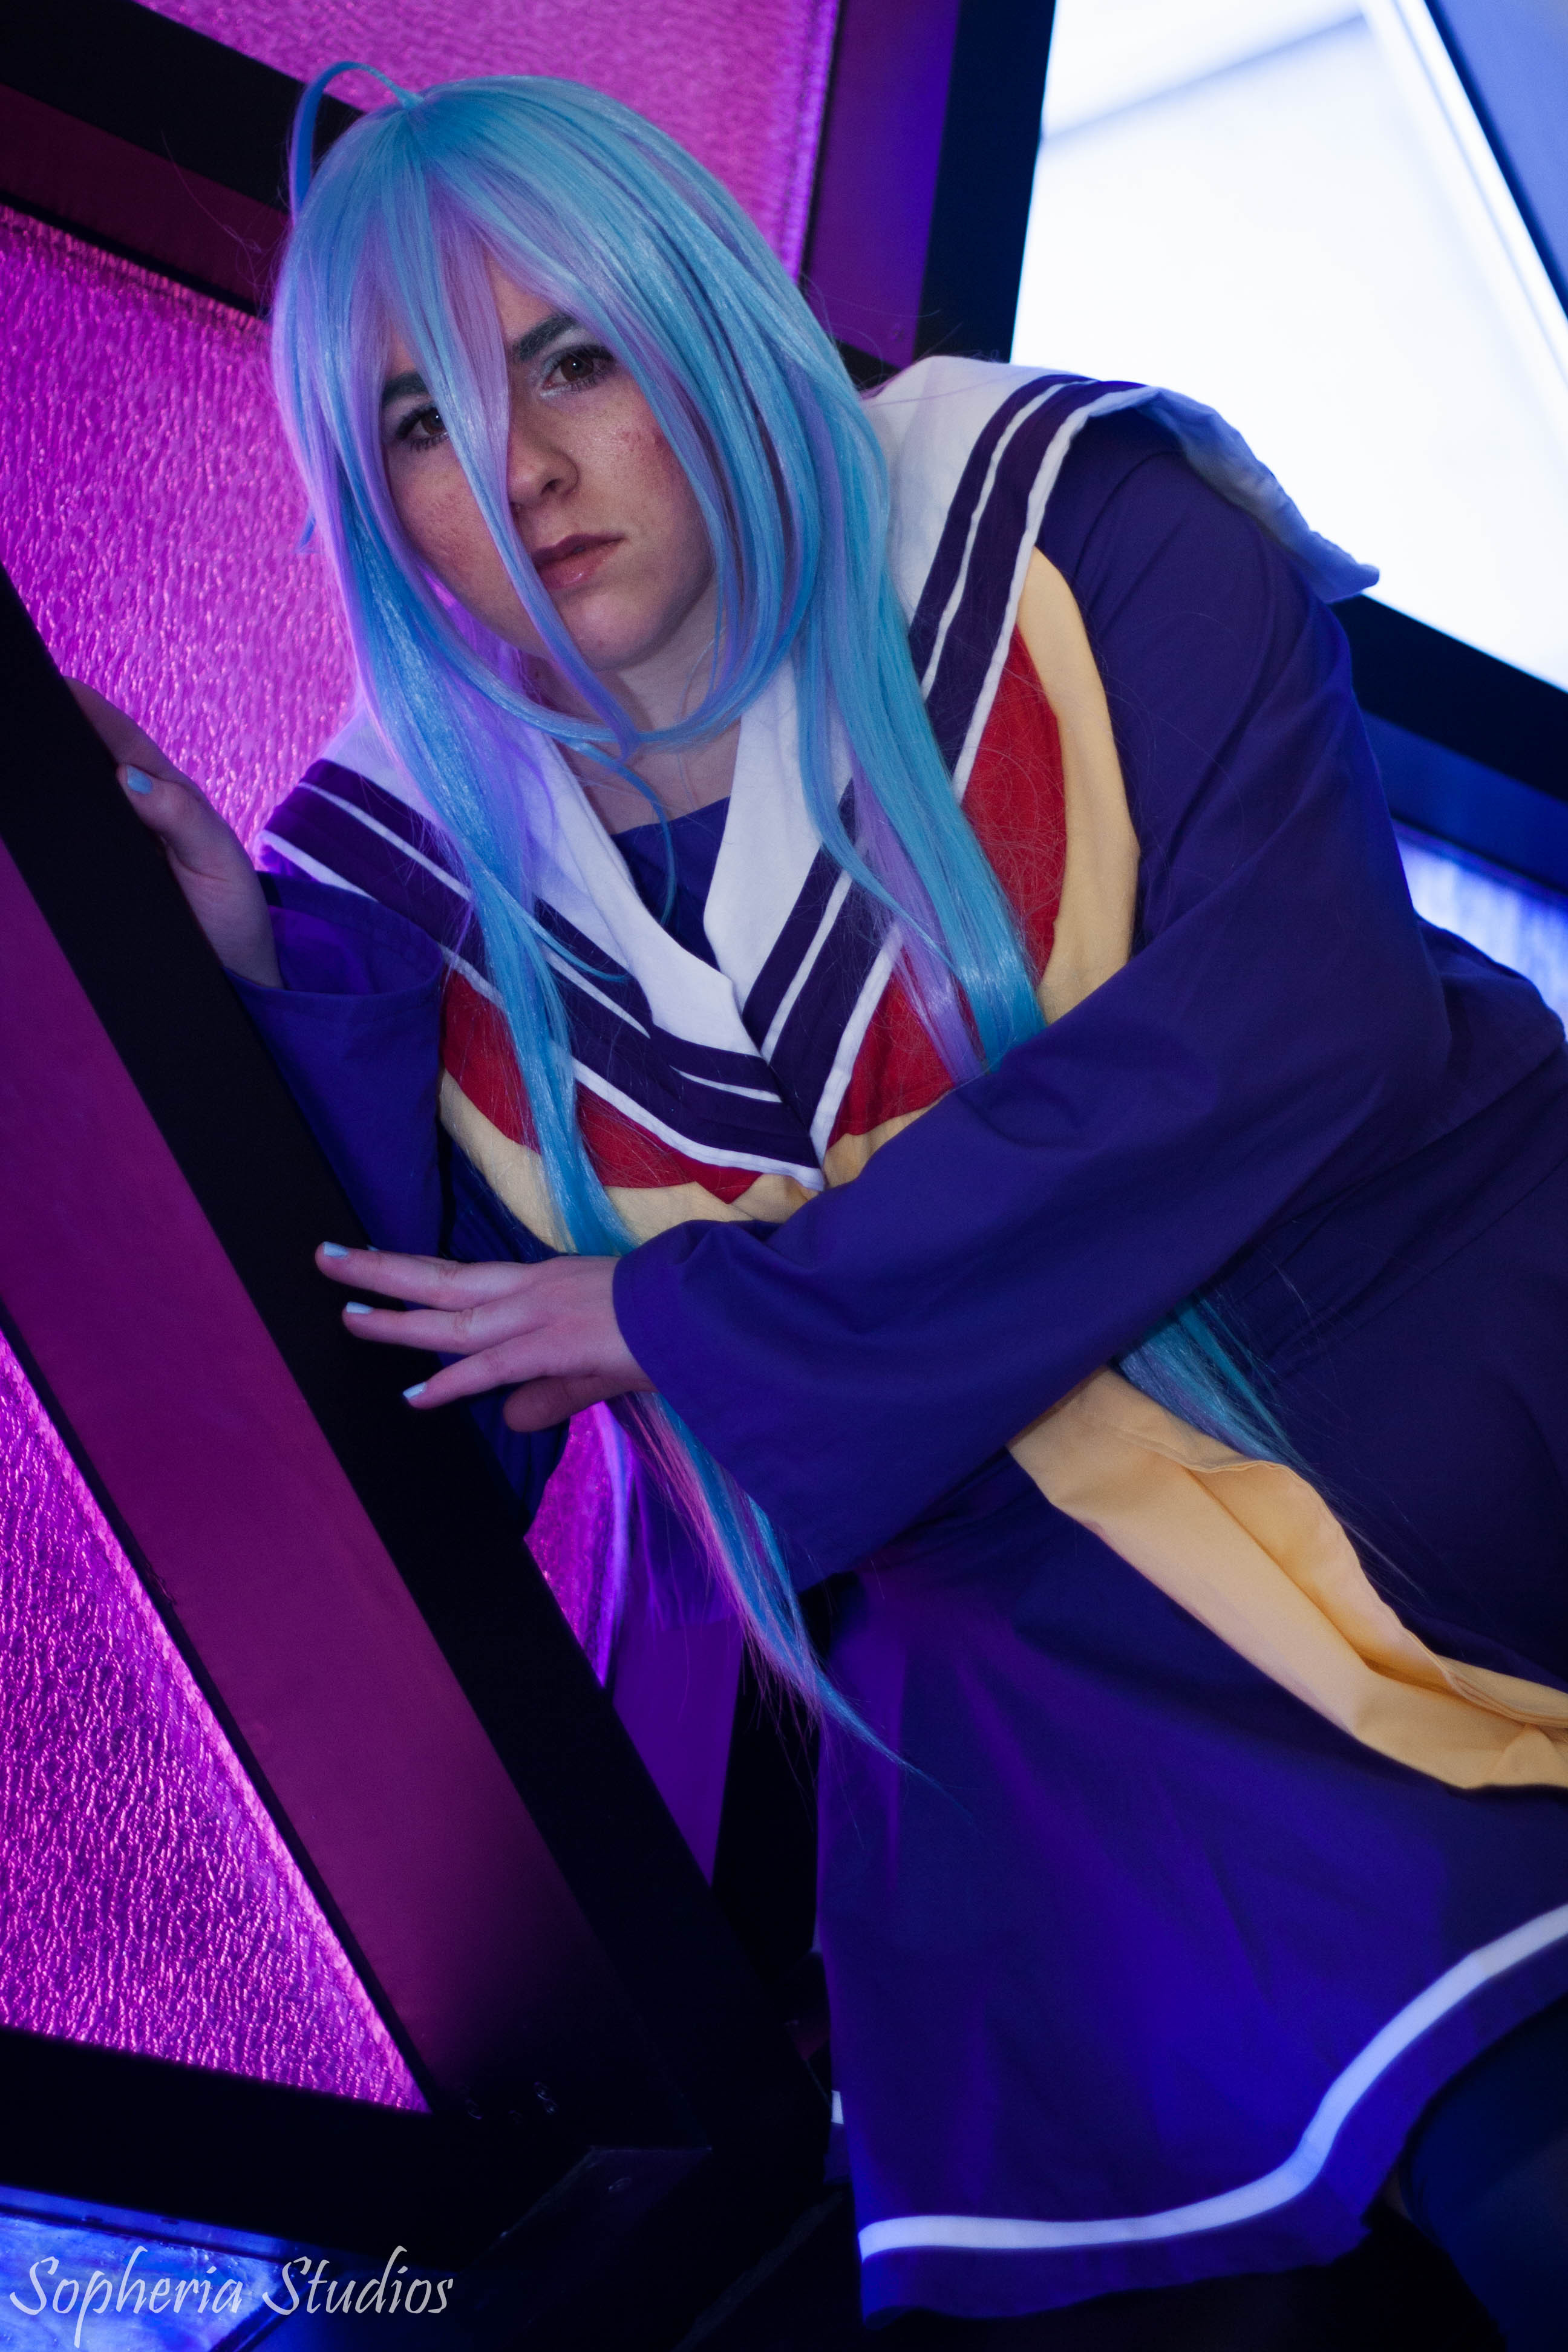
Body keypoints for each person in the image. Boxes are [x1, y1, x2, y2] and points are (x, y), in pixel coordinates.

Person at [77, 68, 1568, 2345]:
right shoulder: (403, 878)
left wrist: (694, 1319)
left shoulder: (1070, 521)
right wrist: (253, 993)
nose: (521, 468)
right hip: (1051, 1686)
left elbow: (1294, 1022)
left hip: (1438, 1383)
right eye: (419, 423)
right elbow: (426, 1436)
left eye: (573, 355)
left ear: (705, 316)